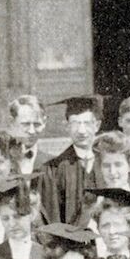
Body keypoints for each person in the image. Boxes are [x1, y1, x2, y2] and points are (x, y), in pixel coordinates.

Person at [43, 95, 103, 225]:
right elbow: (51, 219)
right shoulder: (53, 169)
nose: (81, 131)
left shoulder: (108, 163)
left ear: (97, 126)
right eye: (75, 123)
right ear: (67, 126)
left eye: (87, 123)